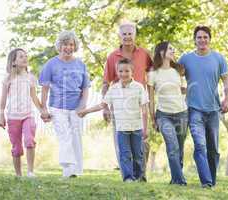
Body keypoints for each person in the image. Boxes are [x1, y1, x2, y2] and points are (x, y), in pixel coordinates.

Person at [78, 58, 148, 182]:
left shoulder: (139, 87)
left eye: (127, 71)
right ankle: (128, 178)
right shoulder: (114, 89)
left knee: (138, 155)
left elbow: (144, 109)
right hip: (121, 128)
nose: (124, 74)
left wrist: (145, 128)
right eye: (120, 71)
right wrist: (85, 111)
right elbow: (102, 105)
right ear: (117, 72)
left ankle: (139, 177)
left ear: (132, 71)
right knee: (124, 154)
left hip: (136, 127)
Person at [178, 25, 228, 188]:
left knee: (213, 149)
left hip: (214, 110)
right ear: (194, 40)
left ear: (210, 39)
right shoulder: (186, 58)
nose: (202, 40)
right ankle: (206, 182)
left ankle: (211, 181)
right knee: (200, 145)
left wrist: (226, 100)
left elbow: (227, 83)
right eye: (199, 37)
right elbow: (174, 76)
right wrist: (182, 89)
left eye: (205, 37)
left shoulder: (219, 58)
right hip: (194, 109)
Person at [102, 22, 152, 181]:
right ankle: (128, 176)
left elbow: (154, 73)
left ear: (135, 35)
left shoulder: (144, 54)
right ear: (120, 36)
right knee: (122, 144)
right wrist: (106, 108)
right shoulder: (112, 57)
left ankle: (141, 174)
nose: (127, 37)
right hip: (120, 106)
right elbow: (106, 82)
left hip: (140, 104)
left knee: (142, 141)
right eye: (124, 34)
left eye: (130, 33)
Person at [39, 30, 90, 178]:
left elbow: (85, 88)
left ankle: (77, 171)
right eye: (65, 44)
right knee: (65, 136)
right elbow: (45, 88)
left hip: (76, 107)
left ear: (75, 46)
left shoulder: (81, 65)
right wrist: (43, 109)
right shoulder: (51, 64)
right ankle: (68, 171)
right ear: (59, 46)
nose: (68, 47)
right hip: (57, 107)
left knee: (76, 137)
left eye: (71, 44)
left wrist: (83, 105)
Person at [148, 41, 188, 185]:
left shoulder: (178, 70)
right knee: (172, 146)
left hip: (182, 113)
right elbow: (151, 98)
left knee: (180, 148)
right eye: (170, 49)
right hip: (163, 115)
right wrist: (153, 118)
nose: (173, 51)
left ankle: (176, 177)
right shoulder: (153, 73)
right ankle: (179, 180)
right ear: (161, 52)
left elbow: (184, 90)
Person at [0, 48, 42, 177]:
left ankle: (30, 172)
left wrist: (42, 111)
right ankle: (18, 174)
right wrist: (1, 115)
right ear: (13, 62)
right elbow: (3, 98)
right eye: (21, 56)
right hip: (12, 117)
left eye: (25, 56)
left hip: (28, 115)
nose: (25, 58)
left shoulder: (31, 78)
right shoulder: (8, 78)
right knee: (17, 147)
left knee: (29, 140)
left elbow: (34, 97)